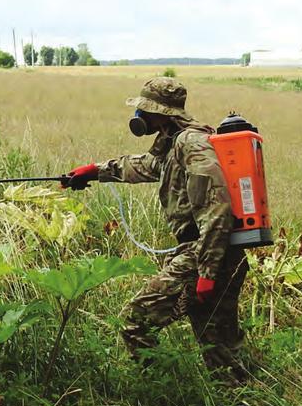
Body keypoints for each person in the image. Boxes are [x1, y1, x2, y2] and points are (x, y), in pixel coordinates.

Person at [62, 77, 251, 385]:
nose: (139, 117)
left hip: (206, 253)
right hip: (220, 253)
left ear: (160, 112)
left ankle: (160, 393)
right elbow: (145, 166)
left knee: (137, 320)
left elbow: (217, 207)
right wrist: (95, 171)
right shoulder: (172, 141)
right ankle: (242, 403)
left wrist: (207, 270)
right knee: (218, 343)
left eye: (144, 110)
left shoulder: (193, 144)